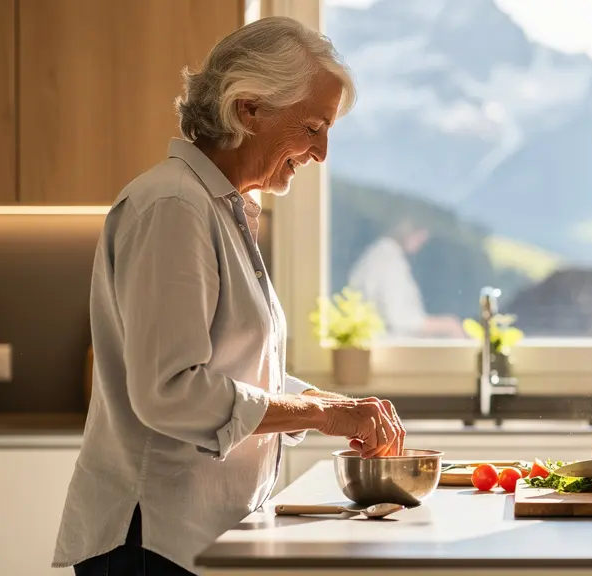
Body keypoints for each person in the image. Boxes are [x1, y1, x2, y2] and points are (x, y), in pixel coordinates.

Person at [52, 16, 406, 576]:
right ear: (249, 110)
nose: (322, 152)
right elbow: (171, 391)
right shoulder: (174, 206)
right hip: (152, 541)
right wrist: (317, 414)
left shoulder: (219, 208)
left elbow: (233, 367)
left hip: (195, 533)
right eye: (313, 126)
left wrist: (333, 408)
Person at [348, 217, 463, 338]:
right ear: (405, 228)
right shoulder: (387, 260)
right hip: (389, 349)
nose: (424, 239)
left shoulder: (383, 255)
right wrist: (448, 325)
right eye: (420, 231)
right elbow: (400, 318)